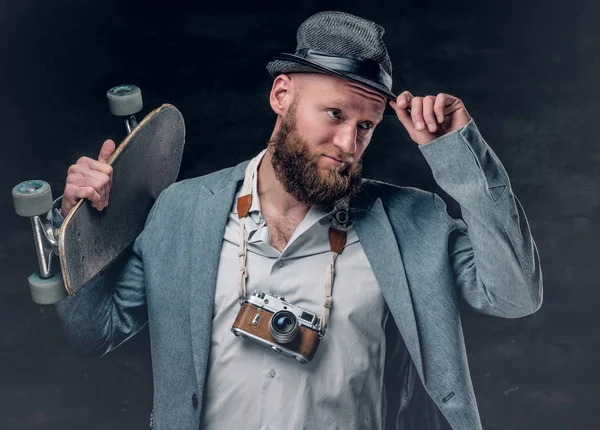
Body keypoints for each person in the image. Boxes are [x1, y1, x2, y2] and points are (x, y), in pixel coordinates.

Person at [51, 10, 543, 430]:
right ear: (281, 95)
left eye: (366, 126)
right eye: (334, 114)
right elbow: (95, 331)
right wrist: (82, 227)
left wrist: (459, 152)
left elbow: (515, 294)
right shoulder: (183, 210)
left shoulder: (414, 222)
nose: (350, 144)